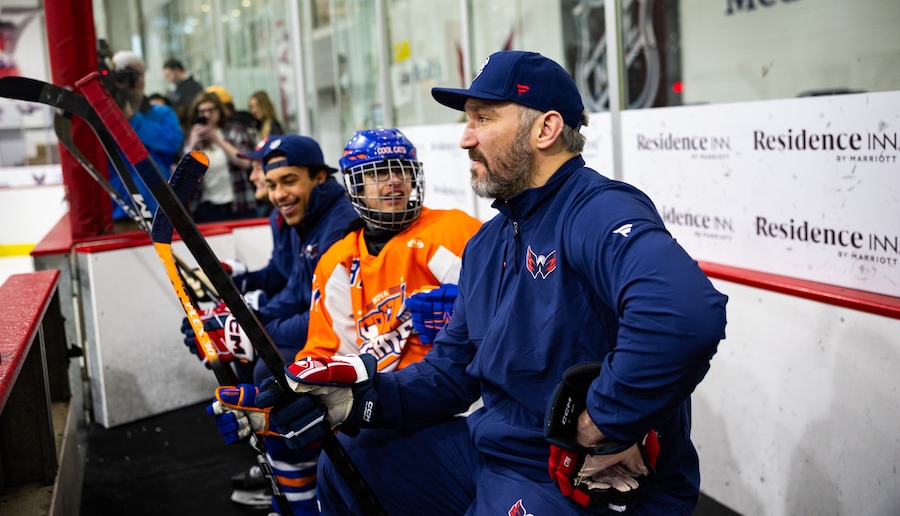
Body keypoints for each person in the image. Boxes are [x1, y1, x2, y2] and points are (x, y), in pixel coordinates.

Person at [237, 51, 728, 515]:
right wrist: (361, 400)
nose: (466, 138)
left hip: (573, 473)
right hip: (497, 448)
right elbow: (451, 371)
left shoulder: (597, 208)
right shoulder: (488, 242)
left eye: (483, 118)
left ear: (546, 129)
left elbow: (685, 316)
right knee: (351, 458)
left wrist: (602, 422)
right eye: (467, 121)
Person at [207, 128, 482, 515]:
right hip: (376, 402)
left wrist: (468, 318)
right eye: (377, 173)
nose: (394, 182)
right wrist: (284, 395)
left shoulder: (455, 231)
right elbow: (324, 350)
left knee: (360, 455)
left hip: (451, 403)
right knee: (329, 457)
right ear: (354, 184)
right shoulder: (337, 258)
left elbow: (503, 325)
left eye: (401, 170)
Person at [185, 134, 358, 512]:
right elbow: (283, 279)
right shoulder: (286, 217)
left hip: (345, 341)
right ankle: (278, 465)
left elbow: (320, 317)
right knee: (239, 357)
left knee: (270, 370)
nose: (278, 192)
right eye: (273, 181)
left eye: (289, 181)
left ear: (319, 178)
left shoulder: (340, 225)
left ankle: (305, 480)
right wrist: (239, 281)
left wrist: (252, 326)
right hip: (308, 326)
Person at [106, 50, 183, 228]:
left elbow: (173, 143)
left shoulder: (162, 113)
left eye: (135, 74)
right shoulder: (105, 119)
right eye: (125, 75)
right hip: (121, 212)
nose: (132, 81)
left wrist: (133, 119)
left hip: (159, 209)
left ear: (144, 77)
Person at [184, 91, 257, 222]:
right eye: (202, 112)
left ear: (219, 111)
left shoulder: (234, 130)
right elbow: (184, 175)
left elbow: (245, 162)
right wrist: (192, 144)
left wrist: (216, 139)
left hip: (238, 203)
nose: (207, 115)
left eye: (211, 110)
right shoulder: (193, 136)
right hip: (207, 206)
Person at [163, 58, 204, 124]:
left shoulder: (193, 86)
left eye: (168, 75)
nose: (168, 79)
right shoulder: (178, 88)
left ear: (177, 70)